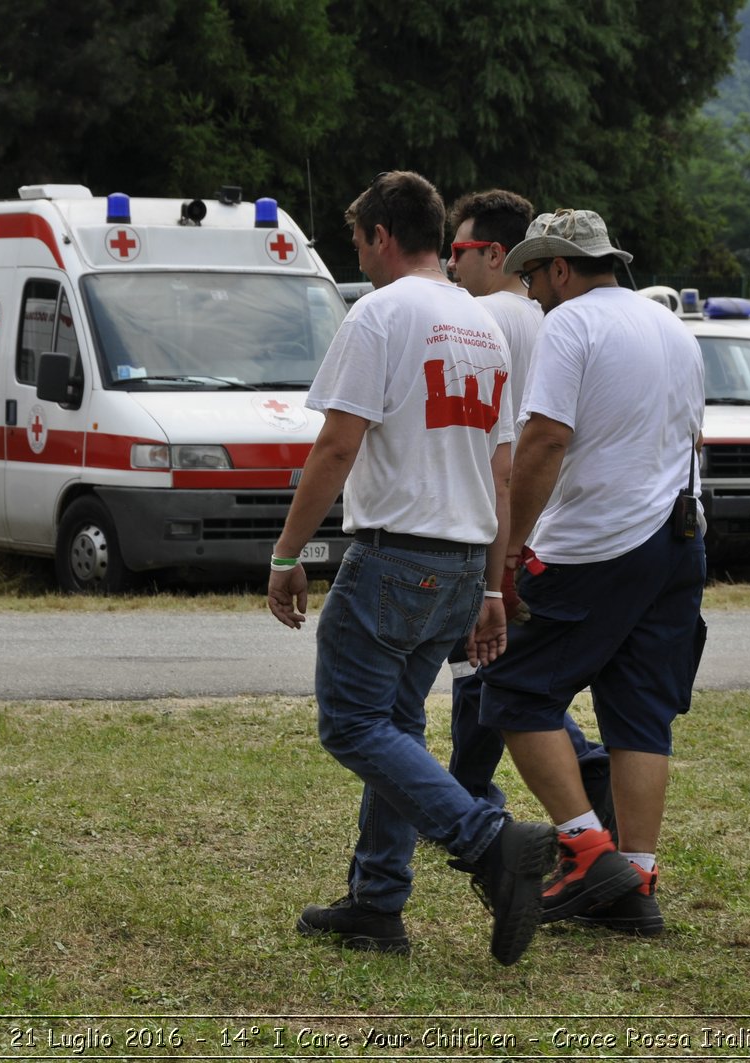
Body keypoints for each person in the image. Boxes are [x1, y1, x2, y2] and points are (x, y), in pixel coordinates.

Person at [267, 171, 557, 966]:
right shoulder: (483, 326)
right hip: (464, 559)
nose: (359, 258)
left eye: (359, 242)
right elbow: (500, 470)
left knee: (353, 724)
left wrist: (287, 553)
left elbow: (336, 445)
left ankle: (490, 841)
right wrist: (494, 583)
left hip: (397, 553)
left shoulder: (379, 315)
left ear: (382, 237)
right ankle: (377, 901)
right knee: (395, 727)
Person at [480, 208, 708, 939]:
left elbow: (545, 438)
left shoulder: (570, 325)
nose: (532, 289)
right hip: (678, 535)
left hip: (599, 539)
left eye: (534, 273)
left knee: (514, 688)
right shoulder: (673, 328)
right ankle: (635, 882)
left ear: (559, 268)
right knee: (640, 710)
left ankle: (585, 849)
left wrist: (510, 549)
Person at [443, 190, 615, 832]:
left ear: (495, 253)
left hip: (495, 512)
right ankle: (471, 795)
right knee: (488, 661)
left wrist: (502, 544)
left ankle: (476, 797)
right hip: (542, 512)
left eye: (458, 250)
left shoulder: (483, 316)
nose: (450, 265)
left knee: (481, 661)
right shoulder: (552, 318)